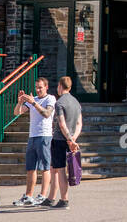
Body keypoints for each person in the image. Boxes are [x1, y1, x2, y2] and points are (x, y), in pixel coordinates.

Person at [13, 77, 56, 207]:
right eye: (36, 87)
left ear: (46, 87)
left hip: (44, 136)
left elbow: (47, 113)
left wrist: (33, 103)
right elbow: (16, 113)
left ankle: (43, 196)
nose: (37, 90)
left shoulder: (50, 99)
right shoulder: (34, 100)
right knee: (31, 168)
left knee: (45, 167)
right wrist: (20, 102)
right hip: (32, 136)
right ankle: (28, 196)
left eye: (40, 87)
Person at [41, 75, 82, 209]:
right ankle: (51, 198)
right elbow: (79, 123)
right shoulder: (76, 102)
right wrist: (73, 139)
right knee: (53, 168)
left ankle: (64, 200)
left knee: (60, 170)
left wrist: (69, 139)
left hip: (59, 139)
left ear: (60, 86)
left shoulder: (59, 103)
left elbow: (62, 124)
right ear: (69, 87)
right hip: (70, 139)